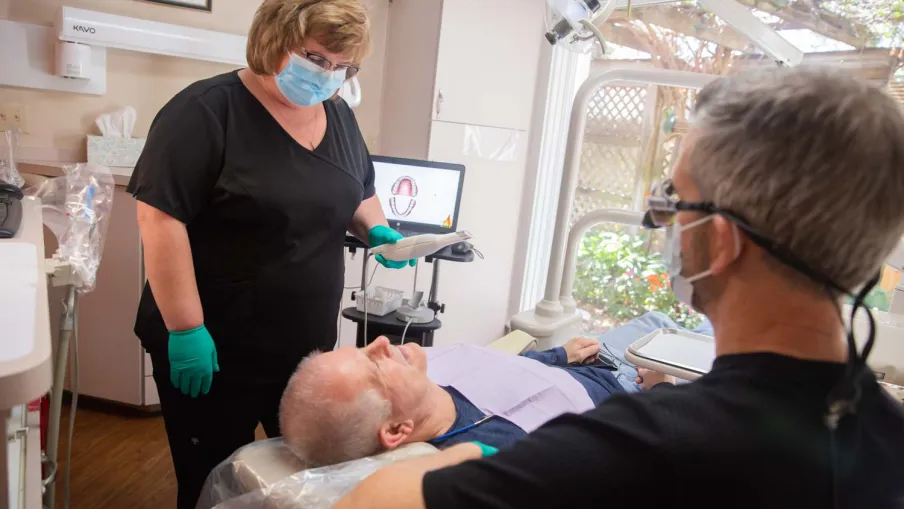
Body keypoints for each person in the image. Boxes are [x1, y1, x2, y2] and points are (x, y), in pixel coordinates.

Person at [333, 67, 904, 509]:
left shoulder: (645, 449)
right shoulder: (888, 435)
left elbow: (371, 502)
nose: (664, 225)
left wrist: (455, 458)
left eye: (673, 203)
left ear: (724, 241)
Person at [126, 1, 415, 507]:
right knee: (211, 479)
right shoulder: (205, 111)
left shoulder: (339, 114)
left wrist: (379, 231)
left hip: (304, 348)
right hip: (214, 347)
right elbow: (160, 219)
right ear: (273, 40)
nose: (329, 76)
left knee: (298, 478)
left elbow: (357, 188)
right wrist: (186, 328)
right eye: (317, 58)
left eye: (343, 67)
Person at [279, 335, 628, 467]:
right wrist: (660, 392)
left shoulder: (422, 369)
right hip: (629, 395)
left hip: (584, 357)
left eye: (361, 348)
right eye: (374, 364)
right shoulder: (494, 452)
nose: (381, 342)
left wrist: (558, 354)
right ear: (397, 430)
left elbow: (496, 366)